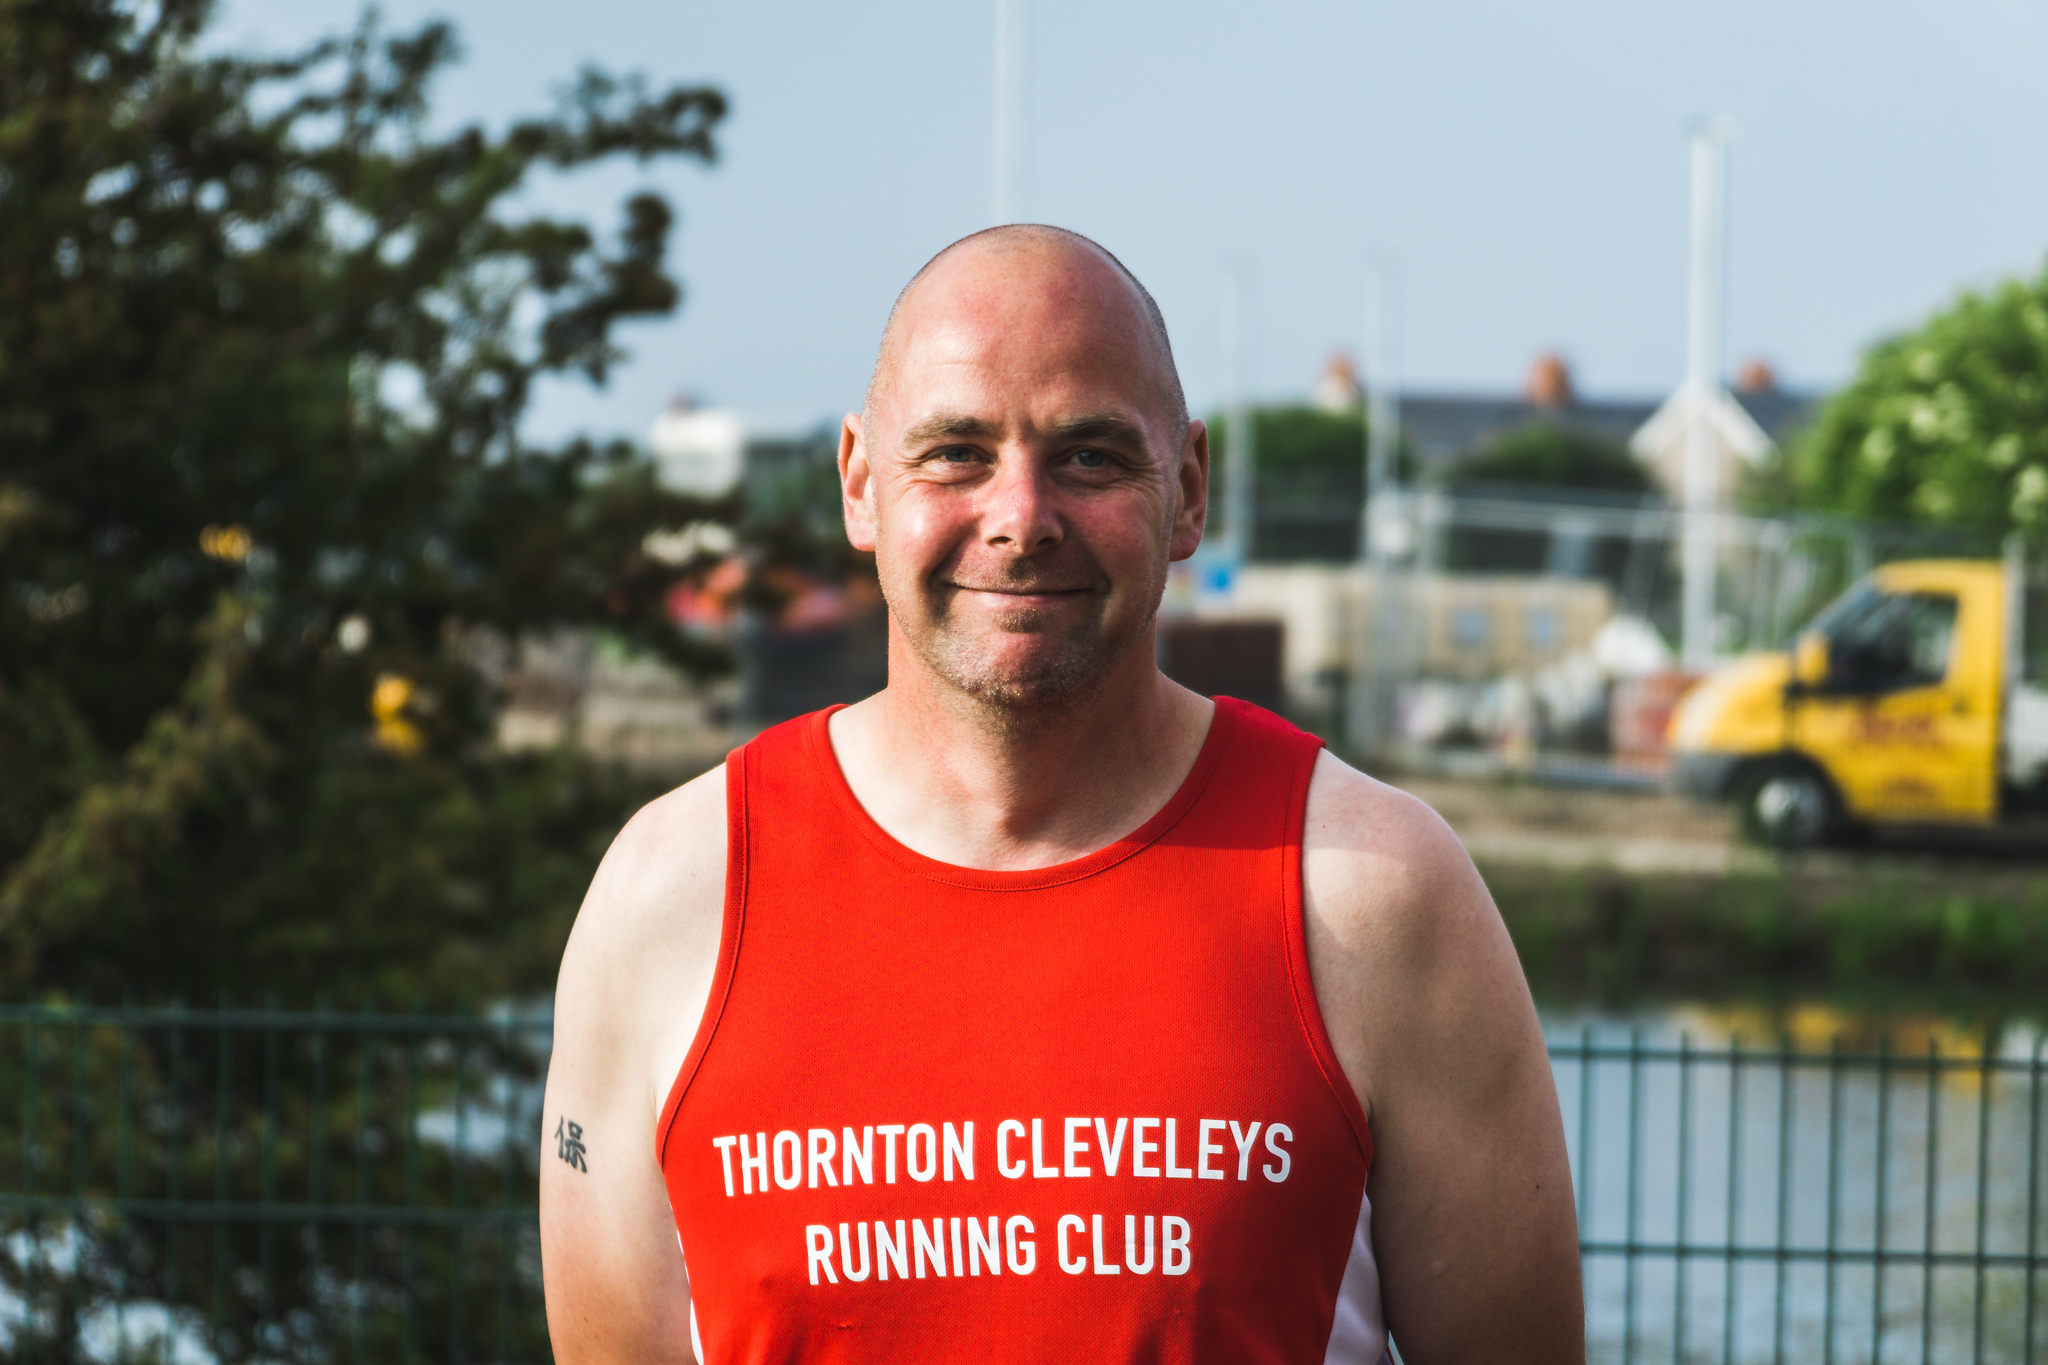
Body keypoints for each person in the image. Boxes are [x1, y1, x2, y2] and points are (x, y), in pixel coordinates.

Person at [540, 225, 1582, 1363]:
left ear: (1185, 492)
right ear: (858, 485)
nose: (1019, 517)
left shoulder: (1374, 892)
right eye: (954, 452)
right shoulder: (672, 894)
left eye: (1088, 455)